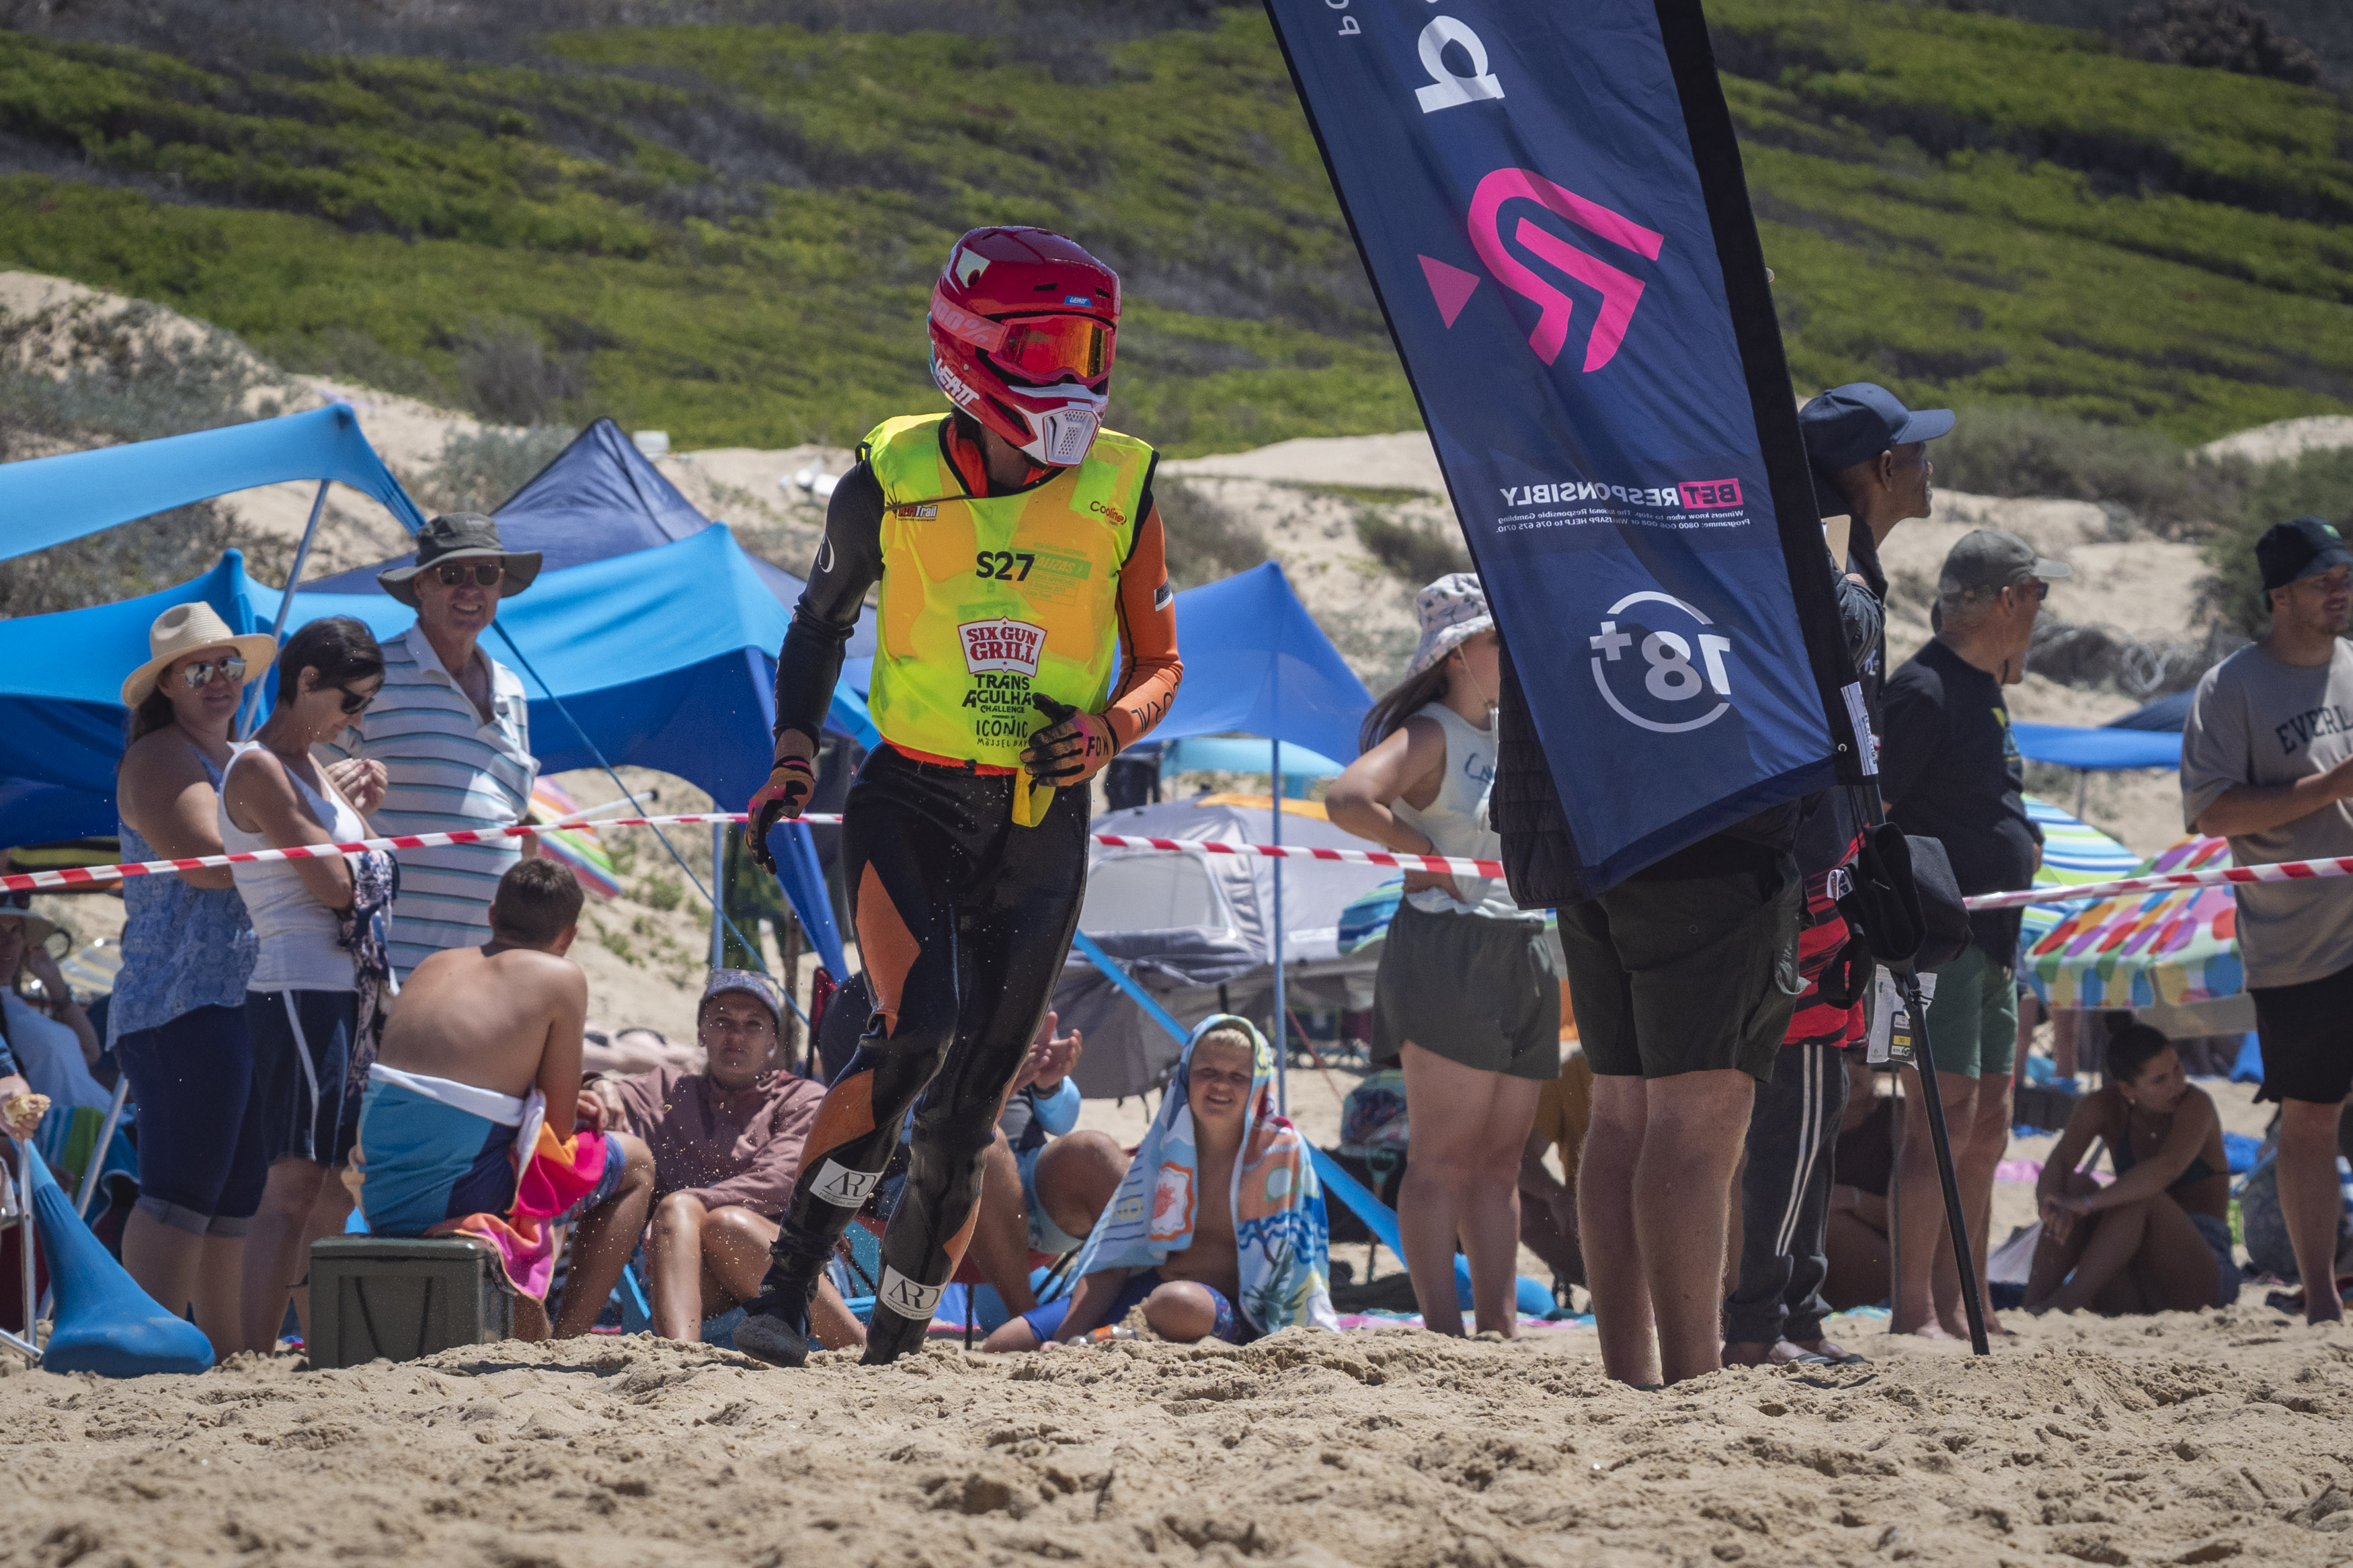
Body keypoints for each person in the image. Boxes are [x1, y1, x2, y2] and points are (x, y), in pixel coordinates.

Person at [731, 226, 1183, 1368]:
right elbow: (819, 624)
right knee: (916, 1034)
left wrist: (1111, 729)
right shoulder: (888, 477)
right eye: (1049, 348)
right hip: (910, 804)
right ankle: (783, 1291)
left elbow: (1159, 663)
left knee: (973, 1106)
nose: (1076, 375)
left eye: (1091, 349)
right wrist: (793, 752)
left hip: (1042, 822)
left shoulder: (1124, 484)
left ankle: (895, 1345)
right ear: (971, 348)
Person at [1720, 384, 1944, 1368]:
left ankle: (1794, 1310)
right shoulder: (1821, 562)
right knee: (1802, 1094)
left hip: (1832, 862)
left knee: (1822, 1094)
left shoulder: (1842, 558)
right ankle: (1764, 1319)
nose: (1928, 468)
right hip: (1811, 865)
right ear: (1880, 468)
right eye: (1915, 453)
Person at [1328, 573, 1558, 1338]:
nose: (1511, 651)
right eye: (1496, 638)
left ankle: (1497, 1329)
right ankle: (1442, 1332)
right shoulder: (1430, 731)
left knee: (1500, 1161)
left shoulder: (1505, 732)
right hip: (1450, 944)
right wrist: (1419, 851)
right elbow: (1347, 796)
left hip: (1521, 940)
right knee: (1443, 1159)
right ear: (1456, 653)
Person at [1879, 528, 2068, 1339]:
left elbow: (1977, 799)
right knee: (1939, 1119)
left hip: (1993, 941)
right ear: (2008, 598)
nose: (2041, 610)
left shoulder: (1985, 688)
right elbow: (1873, 817)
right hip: (1936, 943)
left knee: (1989, 1121)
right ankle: (1913, 1309)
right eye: (2037, 594)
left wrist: (2020, 836)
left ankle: (1967, 1303)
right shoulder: (1923, 689)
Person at [350, 860, 652, 1341]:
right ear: (569, 935)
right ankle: (568, 1339)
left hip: (381, 1194)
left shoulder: (433, 966)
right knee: (635, 1163)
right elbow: (557, 1132)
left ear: (492, 914)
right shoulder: (562, 976)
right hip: (454, 1196)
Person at [2182, 515, 2353, 1324]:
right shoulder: (2231, 687)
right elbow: (2209, 812)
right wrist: (2328, 787)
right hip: (2295, 944)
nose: (2339, 589)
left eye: (2344, 575)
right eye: (2322, 579)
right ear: (2278, 594)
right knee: (2309, 1118)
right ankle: (2319, 1299)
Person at [108, 604, 290, 1354]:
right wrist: (299, 822)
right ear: (167, 685)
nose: (220, 679)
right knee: (182, 1191)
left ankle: (229, 1358)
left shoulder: (241, 757)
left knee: (238, 1195)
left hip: (242, 997)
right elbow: (212, 863)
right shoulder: (158, 755)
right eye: (199, 669)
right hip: (178, 1002)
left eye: (230, 664)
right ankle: (145, 1352)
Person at [220, 616, 395, 1352]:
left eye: (367, 706)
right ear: (307, 680)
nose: (355, 720)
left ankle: (322, 1349)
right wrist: (357, 846)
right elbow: (334, 885)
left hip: (345, 987)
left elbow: (349, 869)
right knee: (293, 1183)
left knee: (329, 1188)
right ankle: (250, 1357)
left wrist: (360, 820)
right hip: (299, 986)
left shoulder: (313, 769)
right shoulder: (258, 767)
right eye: (351, 701)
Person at [990, 1017, 1335, 1349]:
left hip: (1230, 1309)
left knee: (1178, 1303)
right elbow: (1115, 1256)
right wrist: (1065, 1339)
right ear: (1185, 1076)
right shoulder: (1167, 1146)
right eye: (1207, 1072)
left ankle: (1117, 1338)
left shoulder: (1279, 1152)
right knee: (1003, 1343)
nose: (1221, 1084)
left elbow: (1296, 1268)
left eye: (1238, 1076)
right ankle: (1112, 1337)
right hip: (1151, 1292)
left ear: (1259, 1082)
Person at [317, 513, 541, 977]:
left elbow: (512, 818)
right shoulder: (372, 676)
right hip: (392, 959)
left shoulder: (513, 689)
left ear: (500, 585)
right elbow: (309, 790)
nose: (471, 588)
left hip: (484, 969)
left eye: (486, 573)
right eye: (452, 574)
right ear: (421, 586)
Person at [594, 970, 860, 1349]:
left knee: (723, 1223)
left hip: (798, 1263)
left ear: (773, 1040)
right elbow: (595, 1094)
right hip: (694, 1271)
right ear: (702, 1032)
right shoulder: (668, 1091)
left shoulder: (803, 1099)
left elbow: (782, 1181)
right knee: (690, 1222)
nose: (736, 1036)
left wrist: (689, 1202)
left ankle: (857, 1345)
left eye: (753, 1025)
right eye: (722, 1022)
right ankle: (680, 1358)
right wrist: (596, 1085)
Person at [2026, 1024, 2239, 1314]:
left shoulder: (2195, 1104)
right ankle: (2033, 1301)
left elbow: (2167, 1168)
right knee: (2075, 1186)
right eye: (2160, 1080)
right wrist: (2051, 1205)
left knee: (2141, 1196)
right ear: (2127, 1089)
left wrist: (2087, 1204)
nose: (2176, 1084)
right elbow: (2060, 1162)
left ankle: (2065, 1302)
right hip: (2134, 1270)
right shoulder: (2103, 1107)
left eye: (2178, 1069)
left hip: (2201, 1268)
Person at [962, 1009, 1127, 1319]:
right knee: (985, 1148)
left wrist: (1048, 1087)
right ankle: (1027, 1321)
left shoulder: (1019, 998)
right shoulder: (904, 1002)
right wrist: (991, 1096)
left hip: (1031, 1177)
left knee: (1093, 1151)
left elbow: (1061, 1123)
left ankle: (1147, 1297)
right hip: (943, 1189)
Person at [0, 895, 106, 1116]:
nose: (9, 943)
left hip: (106, 1124)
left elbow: (90, 1053)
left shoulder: (18, 1007)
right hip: (74, 1131)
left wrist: (53, 981)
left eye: (15, 930)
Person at [1823, 1053, 1896, 1311]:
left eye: (1861, 1059)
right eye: (1837, 1058)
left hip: (1886, 1257)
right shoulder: (1805, 1124)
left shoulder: (1896, 1118)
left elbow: (1920, 1217)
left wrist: (1852, 1200)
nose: (1850, 1069)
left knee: (1828, 1225)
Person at [1517, 1048, 1592, 1291]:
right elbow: (1518, 1159)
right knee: (1511, 1192)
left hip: (1671, 1221)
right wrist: (1555, 1194)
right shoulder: (1571, 1073)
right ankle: (1606, 1284)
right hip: (1591, 1226)